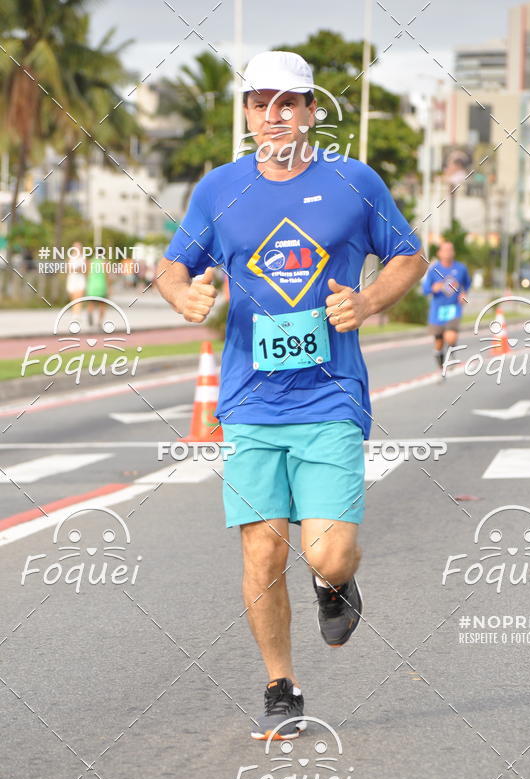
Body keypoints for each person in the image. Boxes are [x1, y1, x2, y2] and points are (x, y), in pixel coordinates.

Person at [156, 51, 427, 741]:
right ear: (246, 112)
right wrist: (183, 295)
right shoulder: (220, 189)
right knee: (263, 551)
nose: (272, 115)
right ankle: (281, 685)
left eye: (287, 102)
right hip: (250, 399)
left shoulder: (352, 181)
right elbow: (171, 266)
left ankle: (334, 585)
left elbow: (408, 254)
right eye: (259, 102)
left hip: (330, 397)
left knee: (328, 553)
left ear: (311, 110)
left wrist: (368, 300)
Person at [421, 241, 470, 375]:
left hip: (453, 308)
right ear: (439, 253)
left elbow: (466, 284)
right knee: (439, 342)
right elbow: (425, 290)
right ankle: (441, 364)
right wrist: (434, 288)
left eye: (450, 250)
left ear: (453, 252)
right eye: (445, 250)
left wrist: (464, 294)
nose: (448, 253)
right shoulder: (433, 269)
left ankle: (451, 357)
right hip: (437, 310)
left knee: (451, 336)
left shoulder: (461, 269)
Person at [85, 255, 110, 329]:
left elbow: (86, 274)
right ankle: (99, 322)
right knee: (102, 305)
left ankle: (90, 312)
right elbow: (107, 276)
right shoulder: (105, 262)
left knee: (91, 303)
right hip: (101, 285)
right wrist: (109, 287)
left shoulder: (90, 262)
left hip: (92, 286)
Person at [66, 241, 87, 319]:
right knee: (73, 297)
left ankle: (77, 314)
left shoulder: (83, 257)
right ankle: (75, 312)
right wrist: (76, 269)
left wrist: (77, 270)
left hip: (80, 278)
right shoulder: (71, 257)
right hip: (72, 278)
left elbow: (84, 269)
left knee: (79, 296)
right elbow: (68, 268)